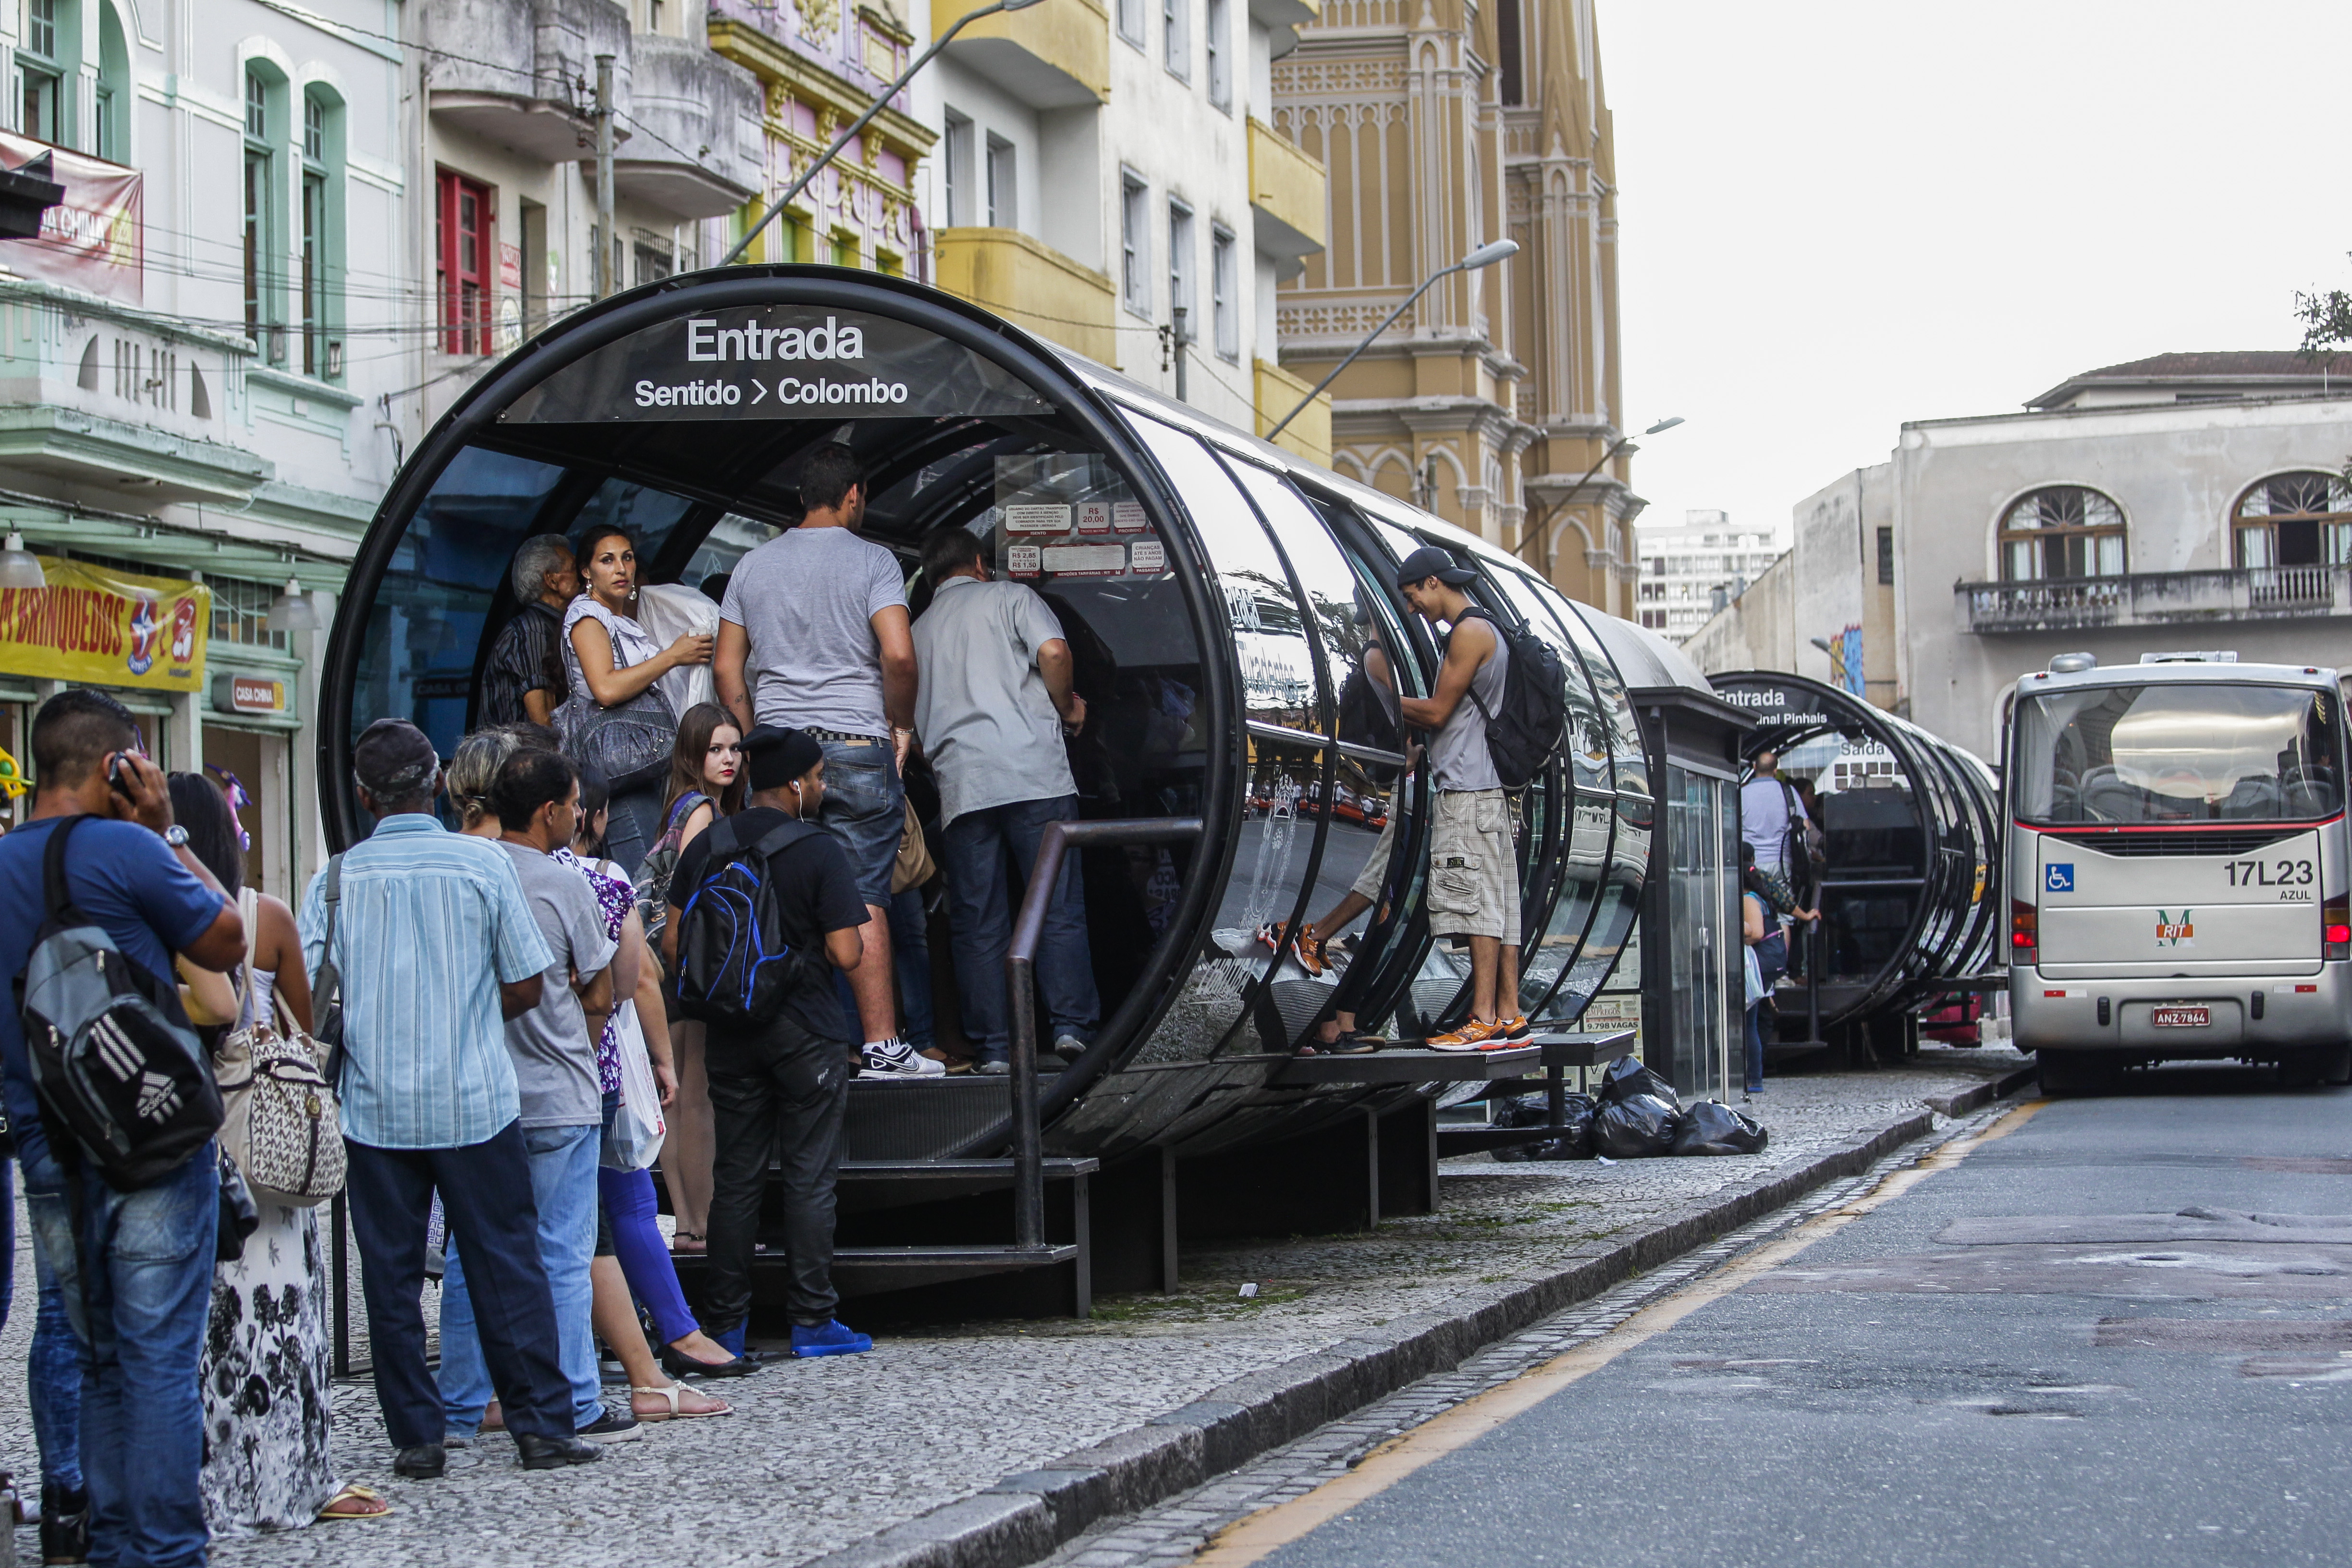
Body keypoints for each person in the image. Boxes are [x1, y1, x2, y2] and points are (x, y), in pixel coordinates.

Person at [305, 719, 596, 1479]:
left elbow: (314, 1000)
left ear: (364, 795)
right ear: (437, 783)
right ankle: (542, 1430)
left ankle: (418, 1438)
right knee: (508, 1260)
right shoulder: (481, 867)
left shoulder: (333, 881)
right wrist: (464, 1014)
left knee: (391, 1276)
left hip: (376, 1110)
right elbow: (529, 982)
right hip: (474, 1099)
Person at [0, 691, 245, 1567]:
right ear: (117, 767)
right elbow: (224, 940)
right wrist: (169, 828)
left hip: (45, 1146)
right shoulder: (129, 847)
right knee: (157, 1359)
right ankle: (170, 1549)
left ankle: (110, 1545)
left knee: (97, 1351)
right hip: (150, 1143)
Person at [166, 774, 390, 1531]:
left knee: (205, 1333)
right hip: (269, 1151)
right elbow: (303, 1017)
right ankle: (292, 1478)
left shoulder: (156, 915)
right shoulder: (261, 916)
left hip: (187, 1136)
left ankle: (207, 1486)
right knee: (283, 1322)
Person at [713, 443, 935, 1079]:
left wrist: (759, 741)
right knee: (864, 892)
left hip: (784, 750)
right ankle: (882, 1046)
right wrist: (901, 724)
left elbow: (728, 668)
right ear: (855, 496)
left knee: (787, 895)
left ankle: (807, 1045)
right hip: (859, 744)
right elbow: (898, 657)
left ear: (800, 496)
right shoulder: (874, 561)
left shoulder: (752, 566)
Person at [437, 747, 637, 1447]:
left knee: (473, 1252)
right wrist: (576, 1025)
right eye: (574, 803)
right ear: (551, 811)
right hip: (559, 1093)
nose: (578, 815)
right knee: (562, 1251)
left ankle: (459, 1404)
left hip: (483, 1094)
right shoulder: (563, 884)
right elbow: (605, 987)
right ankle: (577, 1399)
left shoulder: (466, 873)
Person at [664, 725, 873, 1360]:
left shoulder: (708, 846)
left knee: (736, 1179)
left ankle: (725, 1325)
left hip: (730, 1032)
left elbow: (674, 944)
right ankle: (813, 1321)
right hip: (806, 1032)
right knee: (810, 1177)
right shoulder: (818, 848)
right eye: (816, 778)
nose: (822, 787)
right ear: (794, 785)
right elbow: (846, 950)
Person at [558, 771, 750, 1400]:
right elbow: (638, 979)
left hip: (509, 1080)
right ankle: (675, 1337)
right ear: (590, 816)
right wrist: (664, 1062)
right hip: (596, 1066)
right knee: (627, 1207)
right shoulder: (600, 881)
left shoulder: (487, 872)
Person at [908, 527, 1098, 1075]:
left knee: (978, 920)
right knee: (1057, 906)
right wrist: (1067, 709)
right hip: (1033, 774)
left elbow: (910, 725)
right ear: (978, 563)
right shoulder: (1012, 597)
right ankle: (1070, 1028)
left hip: (965, 787)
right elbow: (1055, 651)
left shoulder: (917, 631)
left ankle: (994, 1047)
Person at [1393, 546, 1528, 1050]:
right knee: (1499, 906)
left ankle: (1482, 1018)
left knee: (1474, 909)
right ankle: (1509, 1015)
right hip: (1486, 790)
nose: (1413, 609)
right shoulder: (1487, 627)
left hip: (1468, 793)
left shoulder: (1468, 632)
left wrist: (1381, 698)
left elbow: (1436, 713)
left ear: (1433, 583)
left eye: (1413, 597)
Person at [636, 703, 745, 1252]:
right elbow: (695, 899)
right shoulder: (703, 812)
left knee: (677, 1098)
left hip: (663, 970)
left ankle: (686, 1225)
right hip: (690, 966)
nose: (728, 759)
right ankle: (703, 1224)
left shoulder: (678, 807)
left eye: (734, 748)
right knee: (696, 1096)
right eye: (716, 750)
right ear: (693, 756)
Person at [564, 524, 715, 875]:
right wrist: (673, 656)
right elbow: (606, 689)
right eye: (607, 560)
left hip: (638, 771)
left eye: (627, 558)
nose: (621, 568)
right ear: (586, 571)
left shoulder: (618, 618)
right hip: (619, 773)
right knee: (645, 883)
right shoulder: (588, 616)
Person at [1300, 601, 1415, 1053]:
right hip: (1398, 789)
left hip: (1402, 789)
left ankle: (1341, 1021)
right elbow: (1410, 717)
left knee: (1386, 911)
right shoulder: (1376, 657)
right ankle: (1316, 936)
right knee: (1378, 892)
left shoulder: (1385, 656)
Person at [484, 535, 581, 728]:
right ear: (552, 581)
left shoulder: (549, 627)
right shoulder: (533, 632)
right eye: (573, 568)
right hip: (520, 756)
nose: (581, 574)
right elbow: (545, 722)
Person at [1740, 750, 1813, 917]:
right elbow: (1806, 826)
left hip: (1751, 863)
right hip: (1781, 862)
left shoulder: (1741, 793)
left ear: (1754, 767)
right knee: (1783, 913)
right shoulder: (1788, 792)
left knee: (1753, 909)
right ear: (1775, 770)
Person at [1741, 858, 1788, 1098]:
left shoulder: (1748, 899)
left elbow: (1756, 932)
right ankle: (1754, 1077)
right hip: (1760, 966)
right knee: (1752, 1022)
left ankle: (1754, 1078)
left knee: (1749, 1023)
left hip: (1752, 965)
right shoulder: (1761, 899)